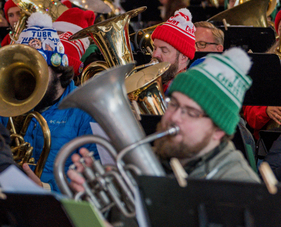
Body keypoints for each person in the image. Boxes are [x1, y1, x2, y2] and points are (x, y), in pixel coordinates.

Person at [68, 48, 260, 193]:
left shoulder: (239, 188)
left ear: (218, 130)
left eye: (191, 112)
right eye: (174, 104)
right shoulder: (155, 159)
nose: (174, 116)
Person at [0, 12, 98, 192]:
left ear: (59, 69)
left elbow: (94, 181)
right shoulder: (9, 101)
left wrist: (46, 189)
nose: (26, 85)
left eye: (37, 74)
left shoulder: (86, 111)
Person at [151, 8, 196, 91]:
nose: (155, 54)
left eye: (164, 50)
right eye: (154, 48)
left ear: (183, 57)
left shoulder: (183, 90)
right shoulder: (165, 82)